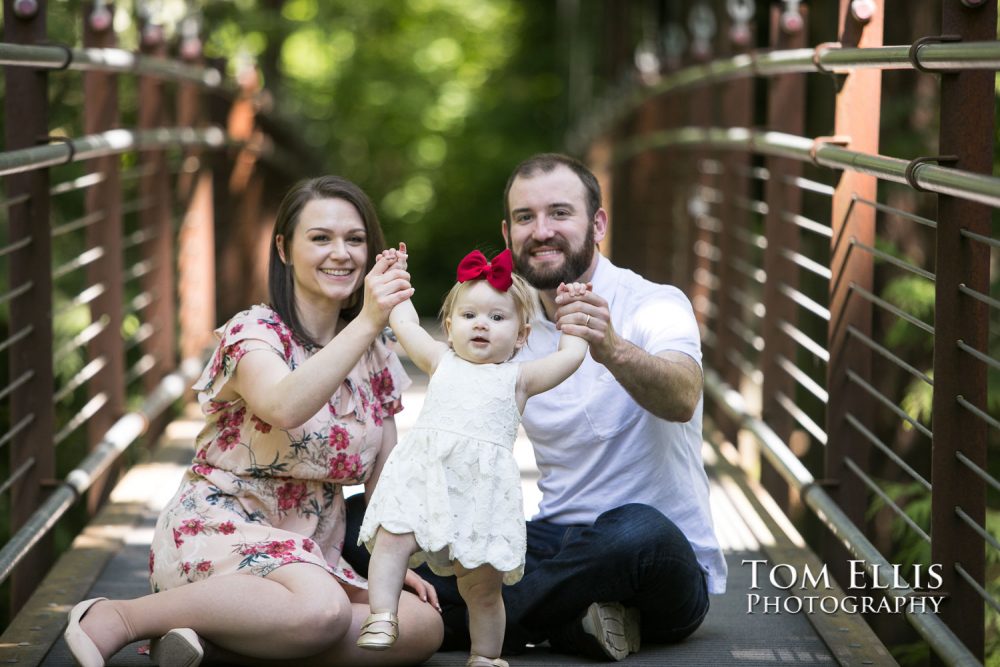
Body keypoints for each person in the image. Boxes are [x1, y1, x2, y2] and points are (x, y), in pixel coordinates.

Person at [345, 153, 727, 662]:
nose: (541, 231)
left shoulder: (654, 302)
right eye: (526, 218)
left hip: (650, 556)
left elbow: (683, 398)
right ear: (507, 234)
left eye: (560, 213)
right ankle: (572, 623)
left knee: (637, 530)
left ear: (598, 223)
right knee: (362, 519)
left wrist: (608, 344)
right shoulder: (505, 323)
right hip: (550, 539)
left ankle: (451, 616)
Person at [62, 176, 443, 667]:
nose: (341, 253)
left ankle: (213, 642)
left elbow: (383, 484)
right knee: (322, 613)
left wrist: (391, 564)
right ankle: (122, 616)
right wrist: (371, 319)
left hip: (309, 556)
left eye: (354, 239)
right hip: (220, 532)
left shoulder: (374, 354)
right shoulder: (255, 331)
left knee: (416, 625)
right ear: (284, 248)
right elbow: (284, 405)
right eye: (320, 238)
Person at [356, 244, 590, 667]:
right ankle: (383, 615)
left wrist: (571, 314)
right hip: (426, 477)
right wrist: (397, 274)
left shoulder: (519, 379)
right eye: (469, 316)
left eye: (497, 318)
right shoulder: (440, 360)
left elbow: (571, 356)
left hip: (481, 496)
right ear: (449, 326)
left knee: (482, 588)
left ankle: (485, 656)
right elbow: (404, 320)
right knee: (392, 538)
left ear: (521, 336)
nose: (481, 325)